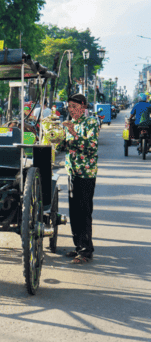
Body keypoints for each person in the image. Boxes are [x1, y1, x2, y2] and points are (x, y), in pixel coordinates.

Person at [61, 93, 100, 264]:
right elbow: (65, 144)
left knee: (84, 212)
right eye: (69, 107)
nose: (71, 110)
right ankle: (78, 247)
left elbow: (91, 146)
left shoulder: (90, 122)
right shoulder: (71, 123)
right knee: (74, 213)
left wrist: (73, 133)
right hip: (72, 171)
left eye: (74, 107)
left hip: (86, 173)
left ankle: (86, 251)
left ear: (83, 107)